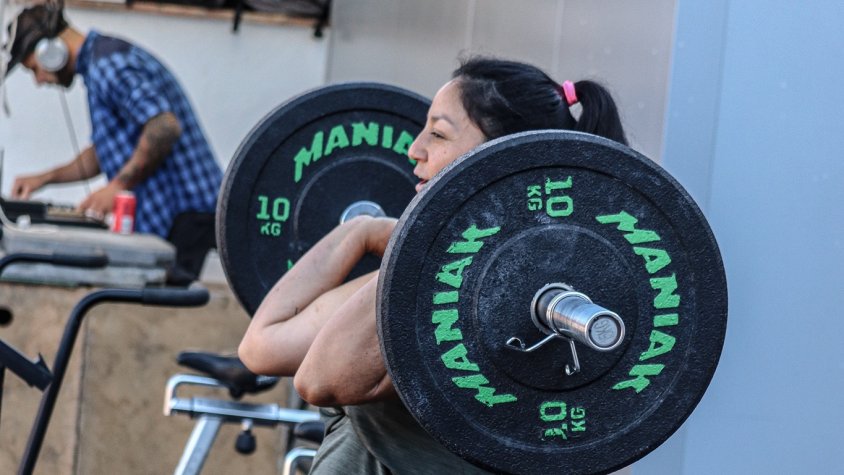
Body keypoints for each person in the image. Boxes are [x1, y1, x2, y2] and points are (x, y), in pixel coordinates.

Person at [238, 57, 628, 473]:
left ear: (502, 154)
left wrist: (429, 238)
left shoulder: (492, 292)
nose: (415, 148)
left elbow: (319, 381)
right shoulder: (425, 275)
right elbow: (262, 347)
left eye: (438, 134)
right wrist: (363, 233)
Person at [6, 5, 222, 284]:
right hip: (180, 215)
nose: (39, 81)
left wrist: (117, 186)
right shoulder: (99, 64)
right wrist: (44, 178)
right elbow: (102, 153)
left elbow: (164, 126)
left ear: (51, 51)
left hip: (187, 213)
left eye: (35, 69)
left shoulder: (110, 66)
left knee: (166, 311)